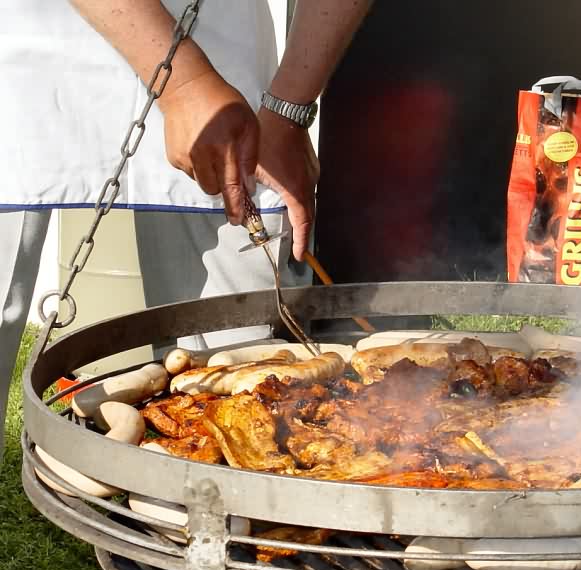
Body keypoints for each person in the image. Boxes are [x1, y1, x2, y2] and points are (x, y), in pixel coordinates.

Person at [0, 0, 369, 430]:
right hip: (19, 55)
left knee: (242, 361)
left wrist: (290, 110)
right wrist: (186, 86)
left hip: (226, 59)